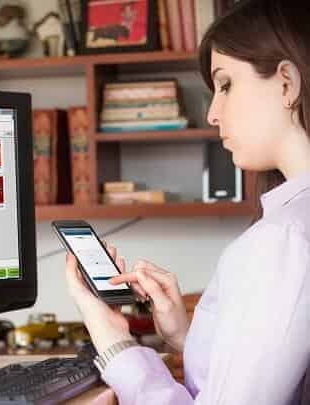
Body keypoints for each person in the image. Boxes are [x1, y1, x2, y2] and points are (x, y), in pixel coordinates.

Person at [65, 1, 310, 403]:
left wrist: (116, 345)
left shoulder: (283, 240)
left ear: (287, 83)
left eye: (226, 84)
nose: (213, 113)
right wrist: (184, 335)